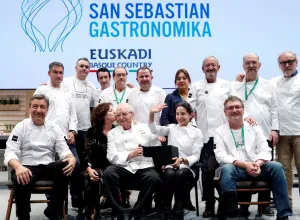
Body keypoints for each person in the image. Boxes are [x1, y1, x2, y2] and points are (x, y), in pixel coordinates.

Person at [214, 95, 292, 220]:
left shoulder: (254, 127)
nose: (234, 110)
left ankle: (283, 215)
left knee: (277, 167)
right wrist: (245, 165)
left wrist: (257, 164)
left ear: (243, 110)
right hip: (236, 168)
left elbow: (265, 148)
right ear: (225, 112)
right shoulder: (219, 131)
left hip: (256, 165)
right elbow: (220, 155)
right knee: (227, 169)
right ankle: (233, 215)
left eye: (238, 107)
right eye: (230, 108)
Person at [4, 94, 76, 220]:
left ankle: (53, 211)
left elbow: (63, 149)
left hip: (47, 167)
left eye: (42, 107)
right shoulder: (21, 127)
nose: (38, 110)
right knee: (20, 178)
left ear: (47, 110)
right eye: (35, 106)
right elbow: (10, 152)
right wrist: (18, 167)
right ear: (29, 108)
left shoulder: (54, 128)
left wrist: (71, 158)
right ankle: (23, 216)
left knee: (66, 166)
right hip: (27, 167)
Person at [188, 56, 235, 217]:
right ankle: (209, 204)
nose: (210, 68)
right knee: (207, 173)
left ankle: (225, 202)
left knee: (226, 170)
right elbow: (189, 108)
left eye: (213, 65)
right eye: (207, 65)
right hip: (205, 138)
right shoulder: (196, 86)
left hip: (224, 136)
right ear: (203, 69)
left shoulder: (227, 86)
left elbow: (236, 105)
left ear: (218, 68)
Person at [233, 53, 279, 216]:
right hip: (243, 135)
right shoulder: (237, 85)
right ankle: (244, 207)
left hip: (265, 133)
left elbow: (274, 108)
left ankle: (264, 204)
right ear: (243, 66)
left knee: (265, 172)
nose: (251, 65)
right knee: (246, 170)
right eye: (247, 63)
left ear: (259, 65)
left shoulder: (269, 84)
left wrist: (275, 129)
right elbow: (234, 107)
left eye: (254, 62)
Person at [103, 103, 162, 220]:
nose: (121, 118)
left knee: (154, 178)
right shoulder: (112, 133)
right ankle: (118, 211)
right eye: (118, 115)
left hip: (144, 165)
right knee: (108, 173)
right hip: (124, 166)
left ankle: (137, 211)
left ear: (132, 115)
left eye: (124, 114)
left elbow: (157, 146)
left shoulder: (144, 127)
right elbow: (111, 155)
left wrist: (149, 150)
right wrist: (129, 155)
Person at [34, 62, 81, 209]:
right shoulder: (42, 90)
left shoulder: (67, 91)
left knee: (76, 165)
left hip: (66, 138)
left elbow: (72, 114)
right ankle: (54, 205)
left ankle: (75, 199)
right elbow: (35, 113)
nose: (59, 75)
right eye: (55, 72)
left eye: (61, 72)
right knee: (51, 170)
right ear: (49, 74)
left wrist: (72, 131)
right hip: (46, 139)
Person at [148, 102, 203, 220]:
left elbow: (196, 156)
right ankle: (166, 210)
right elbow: (153, 130)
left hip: (188, 168)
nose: (179, 117)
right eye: (177, 114)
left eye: (183, 114)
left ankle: (178, 210)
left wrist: (182, 160)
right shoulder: (172, 128)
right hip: (171, 166)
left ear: (191, 115)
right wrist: (151, 114)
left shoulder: (197, 132)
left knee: (180, 174)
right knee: (169, 173)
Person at [62, 57, 97, 211]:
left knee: (85, 165)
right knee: (74, 164)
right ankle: (75, 198)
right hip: (69, 130)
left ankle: (85, 198)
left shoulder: (92, 86)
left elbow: (92, 109)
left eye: (87, 67)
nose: (84, 69)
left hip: (85, 130)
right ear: (75, 68)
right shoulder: (66, 82)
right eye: (81, 66)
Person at [271, 51, 300, 208]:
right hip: (282, 132)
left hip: (299, 131)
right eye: (283, 62)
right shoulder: (275, 82)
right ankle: (286, 203)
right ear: (279, 65)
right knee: (285, 170)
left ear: (297, 62)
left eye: (290, 61)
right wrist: (240, 79)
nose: (287, 65)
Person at [83, 103, 116, 220]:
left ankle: (115, 211)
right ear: (102, 115)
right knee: (93, 176)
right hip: (95, 165)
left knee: (110, 174)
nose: (114, 112)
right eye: (111, 111)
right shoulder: (92, 131)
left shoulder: (118, 131)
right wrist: (88, 168)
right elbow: (86, 153)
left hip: (114, 166)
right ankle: (92, 211)